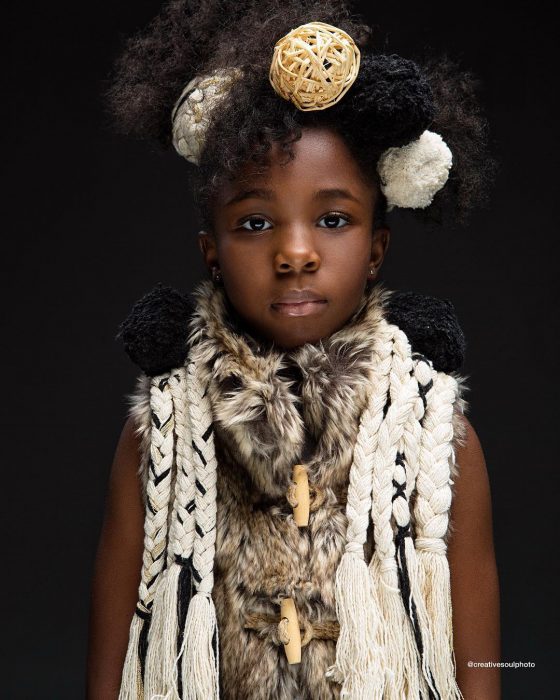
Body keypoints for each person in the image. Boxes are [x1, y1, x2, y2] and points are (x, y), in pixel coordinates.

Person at [87, 1, 500, 698]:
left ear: (376, 249)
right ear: (211, 253)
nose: (297, 253)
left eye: (332, 219)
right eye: (255, 222)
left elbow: (478, 671)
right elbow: (115, 665)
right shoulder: (164, 435)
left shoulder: (437, 440)